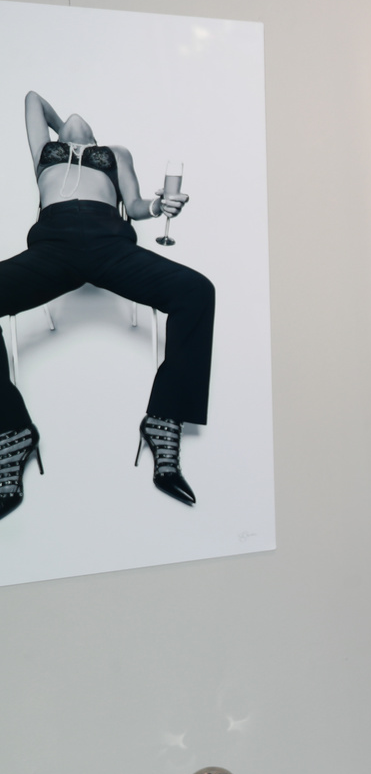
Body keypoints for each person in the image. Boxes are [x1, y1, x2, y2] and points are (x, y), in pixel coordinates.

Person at [0, 91, 213, 520]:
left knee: (197, 290)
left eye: (86, 125)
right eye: (67, 126)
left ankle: (164, 420)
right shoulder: (44, 150)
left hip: (109, 244)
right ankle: (11, 430)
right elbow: (33, 99)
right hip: (52, 248)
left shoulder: (116, 153)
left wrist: (158, 206)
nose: (77, 119)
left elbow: (133, 206)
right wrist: (69, 131)